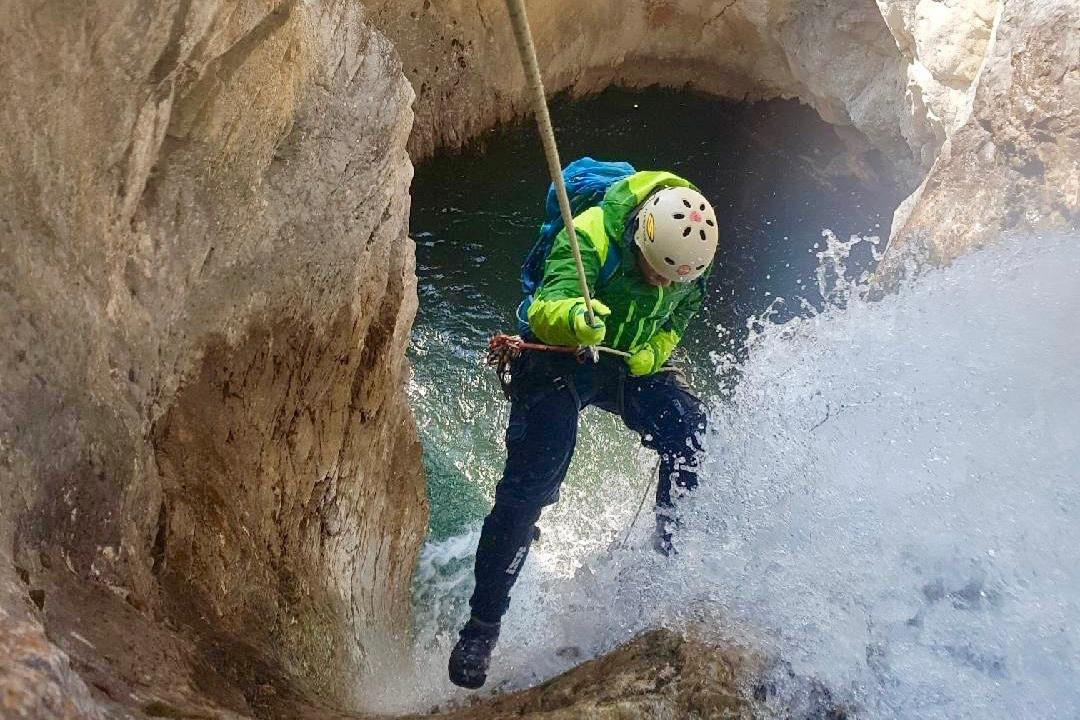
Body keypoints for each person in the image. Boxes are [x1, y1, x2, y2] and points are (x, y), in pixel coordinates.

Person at [448, 168, 719, 689]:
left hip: (624, 361)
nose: (663, 283)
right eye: (655, 272)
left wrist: (653, 353)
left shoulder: (691, 259)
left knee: (690, 433)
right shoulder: (591, 234)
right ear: (641, 236)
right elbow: (548, 306)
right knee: (531, 484)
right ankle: (482, 627)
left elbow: (677, 322)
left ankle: (666, 562)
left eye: (673, 277)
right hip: (562, 353)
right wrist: (574, 318)